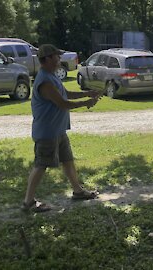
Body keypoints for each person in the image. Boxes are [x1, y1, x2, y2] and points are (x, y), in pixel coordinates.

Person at [22, 44, 101, 212]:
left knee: (67, 160)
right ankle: (28, 202)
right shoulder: (44, 81)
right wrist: (86, 103)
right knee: (41, 165)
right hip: (47, 132)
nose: (59, 59)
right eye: (57, 56)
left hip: (58, 130)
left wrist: (88, 93)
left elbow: (66, 94)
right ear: (48, 59)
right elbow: (63, 103)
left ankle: (78, 191)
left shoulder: (52, 76)